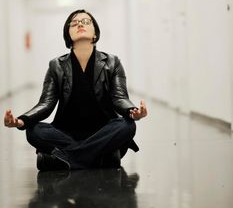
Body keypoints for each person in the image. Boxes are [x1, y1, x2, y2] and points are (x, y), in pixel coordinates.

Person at [4, 9, 147, 171]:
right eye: (74, 23)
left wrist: (132, 111)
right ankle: (100, 159)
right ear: (68, 35)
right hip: (66, 133)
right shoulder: (56, 65)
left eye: (86, 21)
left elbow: (119, 97)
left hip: (103, 132)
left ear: (95, 33)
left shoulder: (112, 62)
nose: (80, 24)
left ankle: (65, 159)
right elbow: (46, 103)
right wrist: (22, 120)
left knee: (127, 125)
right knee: (33, 130)